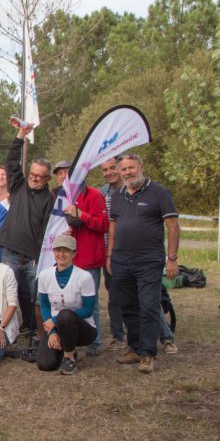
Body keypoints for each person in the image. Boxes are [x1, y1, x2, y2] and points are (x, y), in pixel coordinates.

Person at [108, 153, 180, 375]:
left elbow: (173, 226)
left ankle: (148, 354)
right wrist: (109, 255)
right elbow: (113, 226)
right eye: (124, 169)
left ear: (141, 166)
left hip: (148, 260)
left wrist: (172, 259)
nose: (128, 172)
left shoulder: (158, 192)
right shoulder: (118, 195)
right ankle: (135, 348)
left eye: (132, 167)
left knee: (148, 305)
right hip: (121, 259)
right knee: (127, 306)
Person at [0, 119, 54, 339]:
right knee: (10, 293)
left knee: (36, 295)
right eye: (32, 173)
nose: (34, 178)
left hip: (33, 258)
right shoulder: (19, 185)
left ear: (47, 178)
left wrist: (42, 257)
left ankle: (38, 331)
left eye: (39, 176)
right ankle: (8, 329)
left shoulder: (49, 198)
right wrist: (20, 135)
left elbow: (49, 229)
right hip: (10, 251)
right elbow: (11, 161)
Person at [53, 161, 109, 357]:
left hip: (88, 259)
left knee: (90, 303)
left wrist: (81, 215)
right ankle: (70, 341)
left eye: (67, 173)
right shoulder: (59, 198)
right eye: (60, 174)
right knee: (67, 302)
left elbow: (103, 225)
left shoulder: (94, 195)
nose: (64, 178)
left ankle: (95, 343)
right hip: (66, 260)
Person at [36, 235, 98, 375]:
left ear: (74, 253)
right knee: (45, 364)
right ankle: (66, 348)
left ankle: (69, 358)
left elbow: (88, 310)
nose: (61, 254)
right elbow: (44, 306)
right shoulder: (45, 275)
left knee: (65, 314)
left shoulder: (84, 277)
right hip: (55, 326)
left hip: (82, 328)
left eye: (66, 250)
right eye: (58, 250)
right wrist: (52, 332)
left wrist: (55, 320)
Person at [98, 157, 126, 349]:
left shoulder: (133, 190)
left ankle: (164, 335)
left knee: (144, 296)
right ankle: (118, 335)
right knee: (114, 295)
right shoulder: (102, 193)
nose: (109, 172)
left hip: (132, 251)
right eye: (105, 170)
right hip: (108, 253)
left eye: (112, 168)